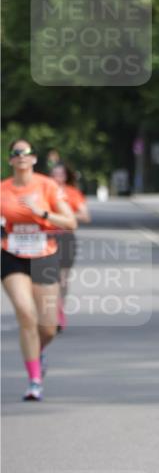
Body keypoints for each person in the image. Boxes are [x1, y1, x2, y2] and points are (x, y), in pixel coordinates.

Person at [1, 140, 77, 401]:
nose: (21, 156)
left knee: (47, 327)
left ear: (34, 159)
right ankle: (34, 381)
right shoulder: (2, 189)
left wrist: (41, 212)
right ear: (10, 160)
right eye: (15, 153)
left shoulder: (47, 186)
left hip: (45, 256)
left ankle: (39, 351)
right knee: (26, 315)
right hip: (12, 256)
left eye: (26, 153)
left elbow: (71, 222)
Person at [50, 162, 91, 332]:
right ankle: (47, 311)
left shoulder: (73, 193)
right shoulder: (44, 191)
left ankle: (59, 310)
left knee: (62, 278)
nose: (57, 177)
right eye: (54, 174)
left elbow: (86, 216)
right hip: (46, 238)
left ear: (66, 176)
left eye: (60, 174)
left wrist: (65, 215)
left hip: (66, 238)